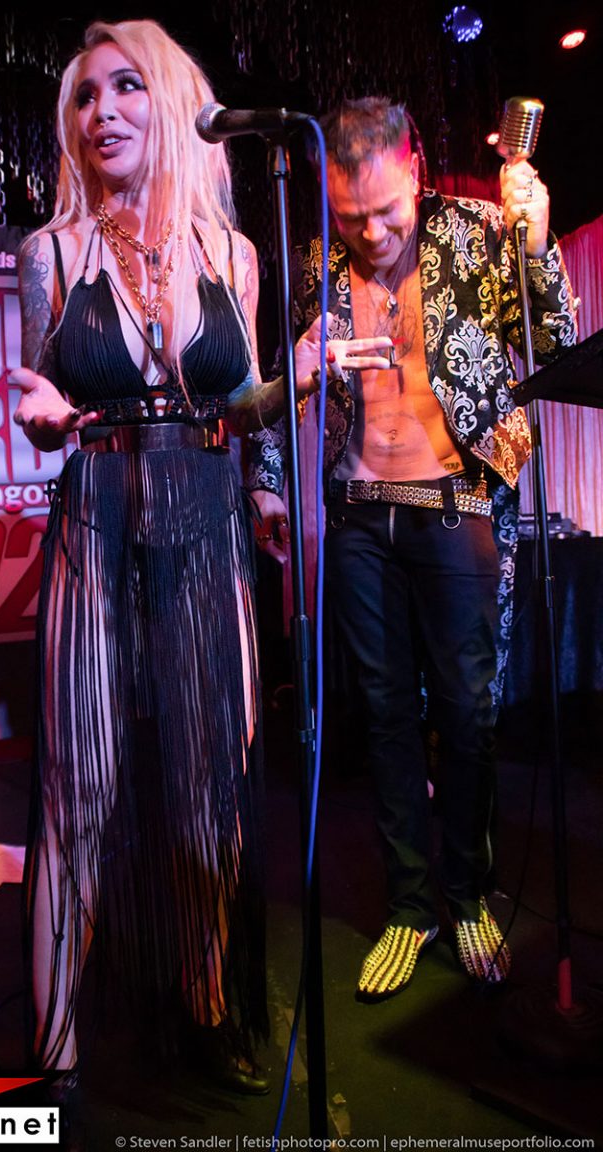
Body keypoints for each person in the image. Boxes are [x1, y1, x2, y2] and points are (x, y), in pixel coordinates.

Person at [246, 97, 577, 1000]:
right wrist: (268, 475)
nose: (372, 232)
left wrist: (537, 242)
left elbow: (554, 342)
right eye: (351, 214)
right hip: (360, 513)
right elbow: (295, 368)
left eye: (386, 210)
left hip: (457, 502)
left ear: (417, 176)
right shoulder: (317, 261)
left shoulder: (478, 231)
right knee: (385, 714)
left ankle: (467, 894)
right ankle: (410, 906)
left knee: (467, 715)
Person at [9, 18, 276, 1098]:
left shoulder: (232, 255)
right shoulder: (50, 253)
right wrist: (41, 420)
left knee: (211, 792)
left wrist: (292, 385)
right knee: (78, 789)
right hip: (97, 517)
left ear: (168, 99)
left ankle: (208, 1004)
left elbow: (242, 400)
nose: (102, 111)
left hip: (205, 521)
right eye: (83, 96)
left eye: (124, 87)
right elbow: (44, 401)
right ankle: (54, 1050)